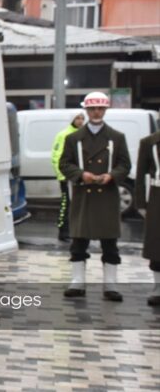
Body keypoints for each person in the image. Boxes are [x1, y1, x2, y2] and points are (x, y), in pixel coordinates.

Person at [59, 92, 130, 301]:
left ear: (105, 110)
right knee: (79, 242)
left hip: (106, 196)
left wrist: (112, 175)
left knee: (110, 243)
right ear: (86, 111)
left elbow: (125, 164)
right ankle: (77, 282)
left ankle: (110, 285)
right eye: (92, 109)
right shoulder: (74, 138)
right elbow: (64, 163)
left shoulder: (117, 137)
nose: (96, 112)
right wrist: (82, 175)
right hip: (84, 195)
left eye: (100, 108)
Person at [135, 129, 160, 306]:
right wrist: (141, 203)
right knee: (156, 243)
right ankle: (158, 288)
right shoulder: (149, 142)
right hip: (157, 196)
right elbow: (140, 175)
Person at [52, 112, 85, 241]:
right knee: (66, 204)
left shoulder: (83, 134)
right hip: (67, 177)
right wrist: (62, 175)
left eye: (82, 118)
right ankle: (63, 232)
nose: (80, 121)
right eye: (78, 118)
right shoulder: (64, 134)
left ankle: (76, 231)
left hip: (79, 176)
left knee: (78, 204)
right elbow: (56, 156)